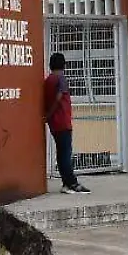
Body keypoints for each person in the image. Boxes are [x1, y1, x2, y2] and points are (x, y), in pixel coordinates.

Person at [44, 53, 90, 195]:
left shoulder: (47, 81)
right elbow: (59, 97)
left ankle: (66, 183)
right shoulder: (61, 79)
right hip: (63, 121)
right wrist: (50, 113)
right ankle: (71, 183)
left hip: (54, 124)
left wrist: (48, 116)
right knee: (66, 154)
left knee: (61, 153)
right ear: (64, 65)